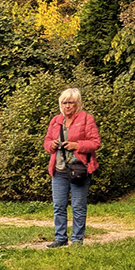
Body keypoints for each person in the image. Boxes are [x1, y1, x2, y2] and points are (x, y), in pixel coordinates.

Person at [43, 87, 101, 247]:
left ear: (78, 104)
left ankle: (77, 240)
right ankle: (60, 238)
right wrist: (51, 145)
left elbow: (96, 143)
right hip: (59, 169)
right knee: (59, 206)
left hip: (79, 169)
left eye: (71, 102)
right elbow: (47, 141)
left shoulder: (86, 119)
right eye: (64, 102)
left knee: (78, 206)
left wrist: (77, 145)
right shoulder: (55, 121)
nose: (67, 106)